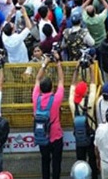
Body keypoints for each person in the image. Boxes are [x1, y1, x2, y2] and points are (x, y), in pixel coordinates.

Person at [33, 50, 66, 179]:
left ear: (40, 88)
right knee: (56, 162)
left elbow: (37, 78)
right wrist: (58, 63)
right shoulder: (56, 98)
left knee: (45, 161)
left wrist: (44, 64)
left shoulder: (36, 98)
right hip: (56, 135)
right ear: (52, 88)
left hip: (42, 136)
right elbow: (61, 80)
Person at [69, 66, 98, 175]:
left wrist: (76, 70)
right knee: (92, 159)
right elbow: (93, 84)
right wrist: (91, 69)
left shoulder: (72, 103)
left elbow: (72, 86)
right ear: (85, 92)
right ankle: (93, 175)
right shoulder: (89, 102)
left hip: (79, 135)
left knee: (80, 159)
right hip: (90, 134)